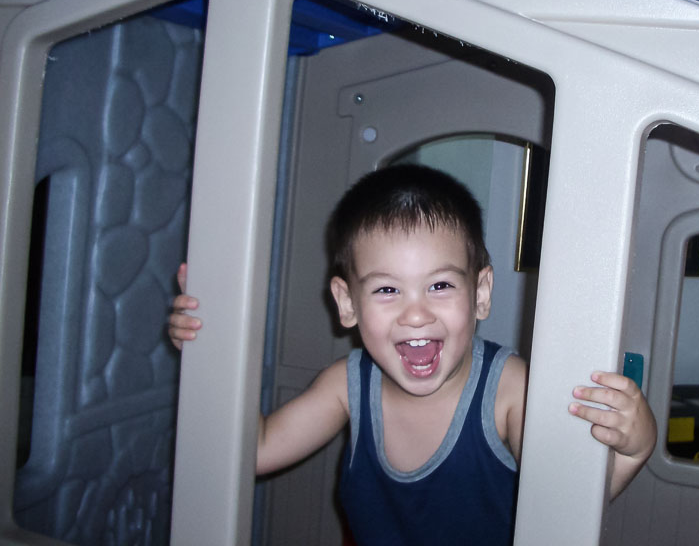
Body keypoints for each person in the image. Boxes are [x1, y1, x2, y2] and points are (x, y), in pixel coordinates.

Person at [169, 164, 655, 545]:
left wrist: (634, 449)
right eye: (387, 290)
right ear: (347, 303)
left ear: (481, 292)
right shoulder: (345, 386)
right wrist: (210, 348)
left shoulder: (511, 391)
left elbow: (563, 509)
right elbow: (252, 451)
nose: (416, 314)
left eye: (440, 285)